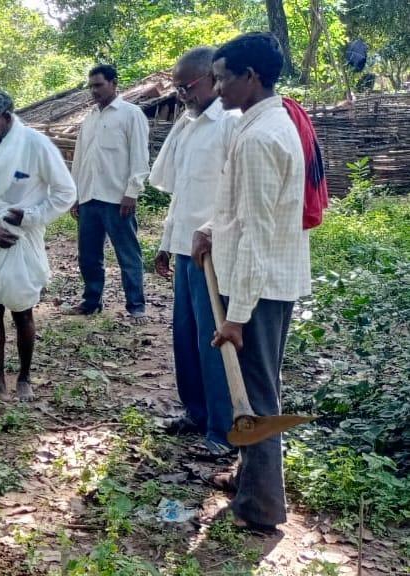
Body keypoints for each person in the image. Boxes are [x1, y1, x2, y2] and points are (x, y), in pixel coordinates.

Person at [191, 32, 310, 531]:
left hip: (258, 290)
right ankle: (249, 480)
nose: (216, 89)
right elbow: (241, 209)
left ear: (251, 78)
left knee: (256, 398)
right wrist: (211, 230)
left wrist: (237, 316)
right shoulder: (256, 124)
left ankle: (261, 509)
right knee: (254, 391)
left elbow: (261, 232)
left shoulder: (263, 137)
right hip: (254, 281)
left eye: (222, 79)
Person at [149, 48, 240, 458]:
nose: (180, 93)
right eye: (177, 86)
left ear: (211, 78)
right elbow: (180, 194)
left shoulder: (231, 123)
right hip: (186, 247)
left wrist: (213, 236)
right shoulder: (187, 125)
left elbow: (236, 196)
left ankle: (223, 430)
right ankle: (196, 412)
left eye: (187, 85)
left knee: (213, 337)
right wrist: (166, 243)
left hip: (215, 251)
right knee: (184, 336)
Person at [0, 89, 77, 400]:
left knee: (22, 310)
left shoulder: (35, 145)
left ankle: (25, 377)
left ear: (6, 117)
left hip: (19, 241)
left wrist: (30, 216)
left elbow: (65, 192)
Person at [68, 64, 151, 323]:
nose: (94, 91)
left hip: (117, 198)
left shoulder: (130, 114)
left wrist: (132, 192)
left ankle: (136, 306)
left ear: (114, 83)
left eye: (99, 85)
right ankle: (92, 301)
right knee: (89, 255)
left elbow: (140, 155)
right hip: (90, 197)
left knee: (127, 254)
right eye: (91, 86)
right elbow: (80, 158)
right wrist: (76, 194)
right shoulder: (90, 118)